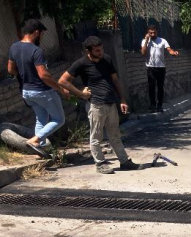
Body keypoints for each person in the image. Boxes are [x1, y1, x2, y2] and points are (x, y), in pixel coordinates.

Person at [58, 36, 140, 174]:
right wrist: (80, 94)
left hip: (110, 103)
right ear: (88, 51)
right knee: (96, 137)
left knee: (115, 135)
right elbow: (62, 81)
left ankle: (124, 161)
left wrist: (122, 99)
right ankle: (100, 164)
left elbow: (115, 79)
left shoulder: (107, 59)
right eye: (97, 50)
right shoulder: (81, 63)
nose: (100, 52)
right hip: (96, 105)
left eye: (101, 49)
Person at [6, 19, 82, 156]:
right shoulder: (36, 51)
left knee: (41, 119)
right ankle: (35, 140)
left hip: (26, 92)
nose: (42, 37)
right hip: (42, 92)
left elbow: (11, 70)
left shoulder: (14, 47)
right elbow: (44, 75)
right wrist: (61, 89)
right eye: (42, 34)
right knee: (59, 119)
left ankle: (39, 148)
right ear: (36, 33)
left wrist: (24, 74)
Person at [140, 24, 179, 113]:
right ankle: (152, 105)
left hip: (161, 67)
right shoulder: (145, 41)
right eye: (151, 33)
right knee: (151, 87)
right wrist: (146, 41)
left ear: (157, 32)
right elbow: (143, 52)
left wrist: (174, 53)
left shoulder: (162, 40)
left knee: (160, 87)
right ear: (148, 33)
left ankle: (159, 105)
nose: (153, 34)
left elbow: (169, 50)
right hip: (150, 67)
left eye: (154, 32)